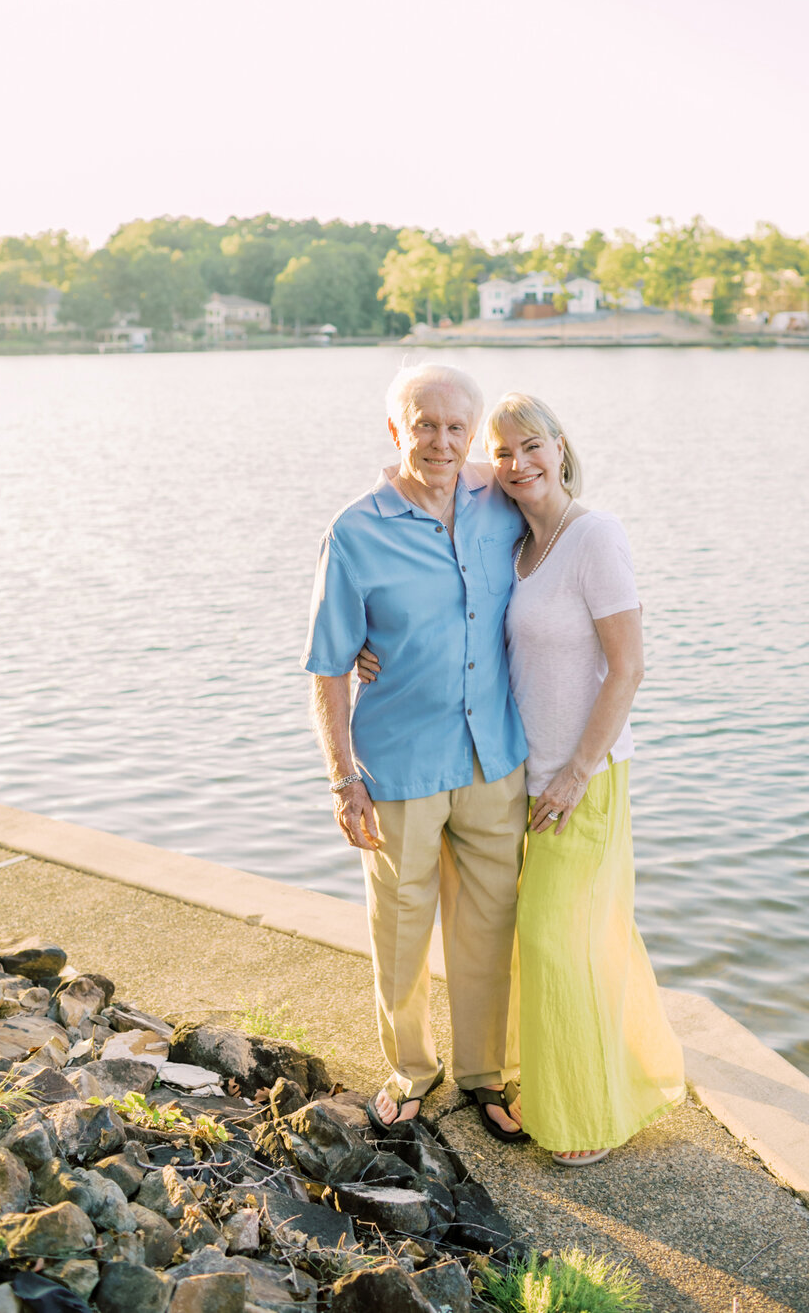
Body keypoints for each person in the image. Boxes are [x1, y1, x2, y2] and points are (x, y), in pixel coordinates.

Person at [302, 363, 530, 1143]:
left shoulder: (503, 505)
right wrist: (343, 781)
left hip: (493, 759)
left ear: (473, 434)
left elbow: (567, 538)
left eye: (455, 427)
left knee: (490, 928)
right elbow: (329, 668)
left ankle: (484, 1073)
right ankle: (411, 1070)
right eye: (423, 425)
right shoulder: (355, 531)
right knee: (399, 928)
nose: (439, 441)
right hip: (397, 766)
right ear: (395, 431)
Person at [482, 390, 685, 1166]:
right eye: (504, 453)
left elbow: (629, 669)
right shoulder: (519, 548)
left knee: (557, 942)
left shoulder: (595, 535)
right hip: (524, 779)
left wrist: (575, 772)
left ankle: (586, 1118)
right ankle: (572, 1080)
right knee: (575, 939)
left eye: (533, 445)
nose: (520, 463)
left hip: (583, 781)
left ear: (562, 446)